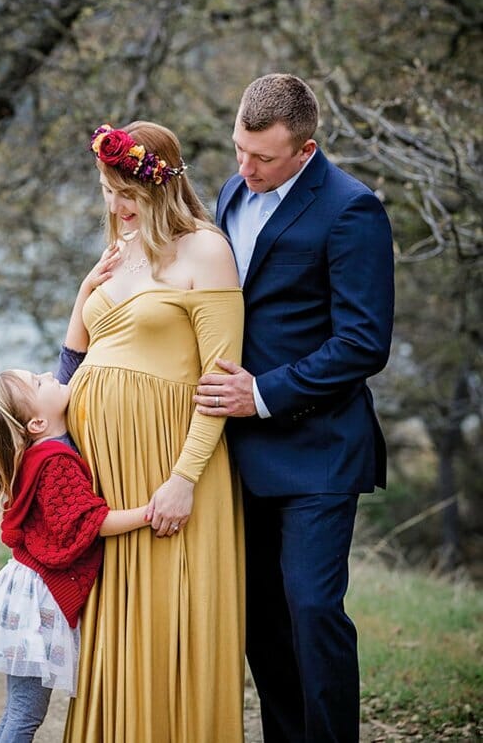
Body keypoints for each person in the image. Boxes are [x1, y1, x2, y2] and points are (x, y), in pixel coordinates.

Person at [195, 73, 395, 743]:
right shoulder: (230, 192)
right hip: (240, 456)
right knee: (260, 619)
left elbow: (364, 342)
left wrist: (264, 392)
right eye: (238, 151)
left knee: (312, 608)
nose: (245, 168)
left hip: (319, 448)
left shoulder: (352, 209)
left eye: (264, 158)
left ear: (305, 151)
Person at [62, 121, 245, 743]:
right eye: (108, 192)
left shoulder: (207, 251)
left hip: (168, 462)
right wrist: (87, 287)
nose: (115, 207)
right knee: (113, 623)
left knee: (169, 621)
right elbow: (77, 358)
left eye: (126, 193)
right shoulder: (120, 246)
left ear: (159, 185)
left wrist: (183, 480)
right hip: (106, 470)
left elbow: (221, 384)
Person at [0, 335, 151, 743]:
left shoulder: (39, 452)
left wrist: (85, 293)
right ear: (37, 424)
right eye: (39, 381)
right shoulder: (57, 461)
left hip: (26, 592)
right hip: (38, 602)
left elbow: (69, 367)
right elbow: (88, 522)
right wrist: (150, 513)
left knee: (19, 710)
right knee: (25, 714)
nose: (50, 375)